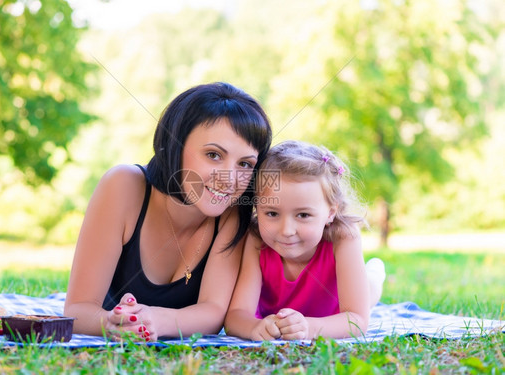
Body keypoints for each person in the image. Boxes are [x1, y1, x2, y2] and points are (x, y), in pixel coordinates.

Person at [64, 82, 272, 341]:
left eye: (244, 164)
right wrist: (116, 323)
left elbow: (213, 312)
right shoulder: (124, 186)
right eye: (214, 155)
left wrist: (156, 321)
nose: (229, 179)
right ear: (175, 144)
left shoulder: (233, 213)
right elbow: (78, 309)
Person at [224, 140, 385, 341]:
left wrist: (309, 327)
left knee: (369, 291)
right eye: (272, 213)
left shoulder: (343, 237)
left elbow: (357, 320)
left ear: (330, 212)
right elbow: (236, 316)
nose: (286, 231)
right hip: (287, 318)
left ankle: (375, 273)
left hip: (335, 309)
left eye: (303, 215)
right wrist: (255, 327)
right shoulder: (257, 241)